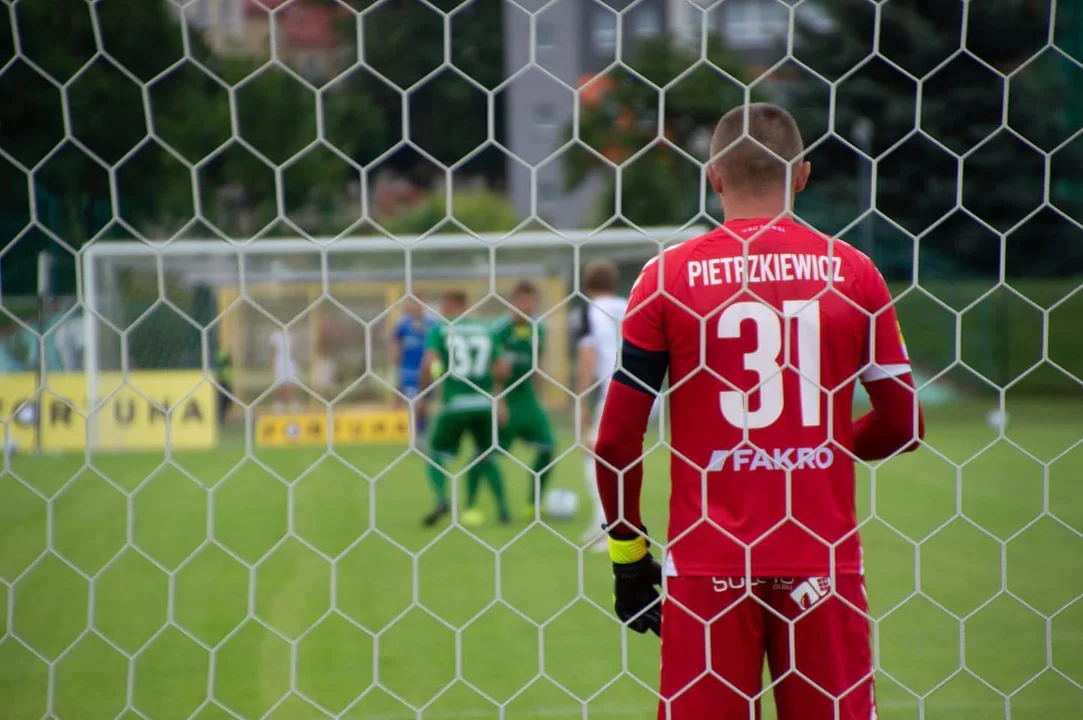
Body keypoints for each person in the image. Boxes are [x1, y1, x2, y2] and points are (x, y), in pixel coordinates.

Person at [593, 103, 926, 720]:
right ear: (802, 175)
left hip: (707, 568)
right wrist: (819, 445)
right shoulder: (856, 273)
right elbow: (904, 426)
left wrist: (629, 559)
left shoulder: (665, 278)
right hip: (819, 564)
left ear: (712, 176)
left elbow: (615, 442)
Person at [419, 289, 512, 528]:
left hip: (455, 403)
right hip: (484, 403)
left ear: (450, 304)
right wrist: (498, 398)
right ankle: (503, 510)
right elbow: (503, 368)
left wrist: (422, 397)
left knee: (436, 453)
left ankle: (441, 499)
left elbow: (429, 363)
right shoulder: (486, 329)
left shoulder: (440, 329)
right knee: (485, 455)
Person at [572, 260, 628, 550]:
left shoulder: (590, 310)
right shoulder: (630, 304)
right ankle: (601, 524)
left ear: (588, 285)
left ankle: (607, 527)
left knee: (594, 455)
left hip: (612, 390)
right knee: (616, 459)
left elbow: (587, 356)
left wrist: (580, 399)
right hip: (644, 391)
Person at [492, 280, 555, 518]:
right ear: (512, 302)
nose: (527, 306)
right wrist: (497, 400)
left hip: (527, 399)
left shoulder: (538, 330)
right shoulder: (498, 331)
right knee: (485, 455)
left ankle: (533, 503)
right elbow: (492, 370)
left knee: (548, 446)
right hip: (503, 399)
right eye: (522, 301)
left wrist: (540, 401)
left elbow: (535, 368)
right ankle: (472, 506)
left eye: (531, 301)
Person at [391, 296, 433, 432]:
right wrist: (396, 361)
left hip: (427, 371)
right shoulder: (403, 324)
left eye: (418, 304)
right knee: (414, 403)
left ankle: (423, 431)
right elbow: (396, 344)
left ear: (424, 305)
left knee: (425, 404)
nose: (414, 307)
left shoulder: (432, 324)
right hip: (408, 371)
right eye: (411, 304)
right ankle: (418, 434)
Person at [269, 326, 298, 412]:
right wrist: (271, 361)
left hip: (289, 361)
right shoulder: (275, 335)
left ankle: (290, 402)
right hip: (279, 362)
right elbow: (272, 350)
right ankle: (279, 403)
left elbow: (294, 349)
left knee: (290, 383)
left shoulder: (290, 334)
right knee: (279, 384)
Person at [213, 344, 233, 425]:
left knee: (227, 400)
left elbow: (228, 359)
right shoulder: (214, 354)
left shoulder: (222, 352)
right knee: (220, 401)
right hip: (219, 382)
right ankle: (220, 417)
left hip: (226, 381)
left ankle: (223, 417)